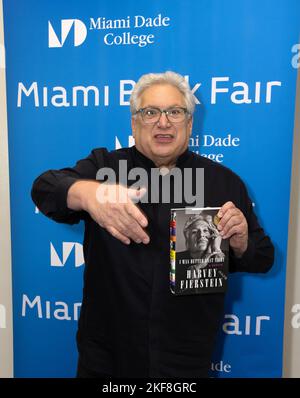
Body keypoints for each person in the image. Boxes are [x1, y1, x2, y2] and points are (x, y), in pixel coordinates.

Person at [31, 71, 274, 378]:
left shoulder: (223, 182)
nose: (163, 122)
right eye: (150, 112)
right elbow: (43, 188)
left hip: (185, 360)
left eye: (175, 112)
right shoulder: (105, 168)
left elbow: (264, 256)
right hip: (107, 358)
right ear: (134, 123)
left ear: (189, 123)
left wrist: (240, 242)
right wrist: (88, 193)